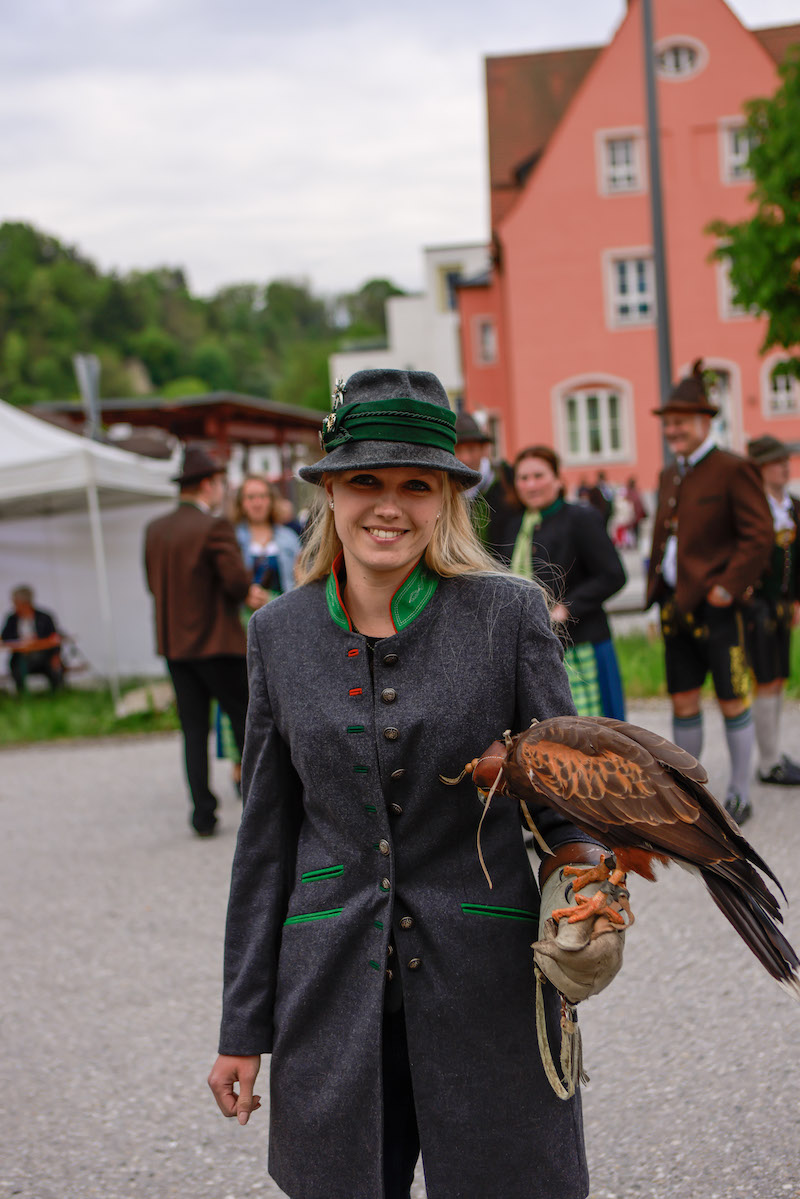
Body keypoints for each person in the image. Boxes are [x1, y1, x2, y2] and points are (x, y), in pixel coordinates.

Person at [208, 368, 625, 1199]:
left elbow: (564, 799)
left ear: (447, 498)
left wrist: (586, 875)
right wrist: (241, 1028)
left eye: (415, 485)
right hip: (331, 985)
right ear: (330, 491)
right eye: (366, 481)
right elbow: (265, 845)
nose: (388, 506)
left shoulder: (510, 615)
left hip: (486, 977)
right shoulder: (277, 634)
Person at [646, 360, 773, 826]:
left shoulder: (734, 468)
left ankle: (739, 791)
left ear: (705, 421)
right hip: (675, 607)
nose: (673, 430)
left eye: (681, 422)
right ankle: (689, 794)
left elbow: (759, 536)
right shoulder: (668, 474)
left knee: (732, 698)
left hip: (719, 610)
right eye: (668, 423)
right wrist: (655, 595)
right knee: (682, 699)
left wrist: (727, 587)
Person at [144, 445, 268, 837]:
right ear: (208, 485)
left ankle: (202, 813)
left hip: (175, 646)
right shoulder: (214, 527)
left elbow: (152, 584)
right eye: (219, 483)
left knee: (193, 731)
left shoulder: (155, 529)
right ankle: (256, 807)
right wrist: (244, 589)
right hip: (217, 644)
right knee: (246, 723)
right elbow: (235, 583)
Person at [501, 445, 627, 720]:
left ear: (558, 480)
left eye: (538, 476)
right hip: (533, 652)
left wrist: (567, 607)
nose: (531, 485)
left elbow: (613, 575)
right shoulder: (514, 527)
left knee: (592, 733)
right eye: (523, 478)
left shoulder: (581, 518)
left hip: (582, 646)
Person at [216, 475, 302, 789]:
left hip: (280, 622)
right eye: (250, 497)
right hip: (239, 625)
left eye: (262, 496)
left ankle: (282, 760)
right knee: (240, 693)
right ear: (242, 503)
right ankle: (239, 761)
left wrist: (276, 600)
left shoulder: (288, 538)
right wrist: (244, 595)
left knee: (278, 691)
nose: (256, 503)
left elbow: (300, 582)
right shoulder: (230, 538)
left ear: (271, 500)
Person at [744, 435, 800, 786]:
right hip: (756, 607)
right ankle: (767, 764)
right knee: (765, 679)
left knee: (779, 677)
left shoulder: (793, 506)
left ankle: (774, 754)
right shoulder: (750, 508)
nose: (784, 467)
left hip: (782, 604)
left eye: (785, 460)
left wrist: (796, 600)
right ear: (760, 468)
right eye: (776, 462)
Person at [453, 409, 518, 560]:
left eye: (471, 449)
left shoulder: (508, 479)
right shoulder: (443, 490)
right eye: (458, 450)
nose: (466, 458)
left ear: (483, 449)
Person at [0, 585, 63, 693]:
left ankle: (58, 692)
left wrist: (55, 655)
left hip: (44, 655)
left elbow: (55, 637)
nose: (14, 605)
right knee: (17, 665)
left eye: (16, 602)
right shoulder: (12, 619)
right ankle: (22, 694)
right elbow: (5, 637)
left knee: (54, 664)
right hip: (20, 655)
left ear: (25, 603)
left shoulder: (44, 617)